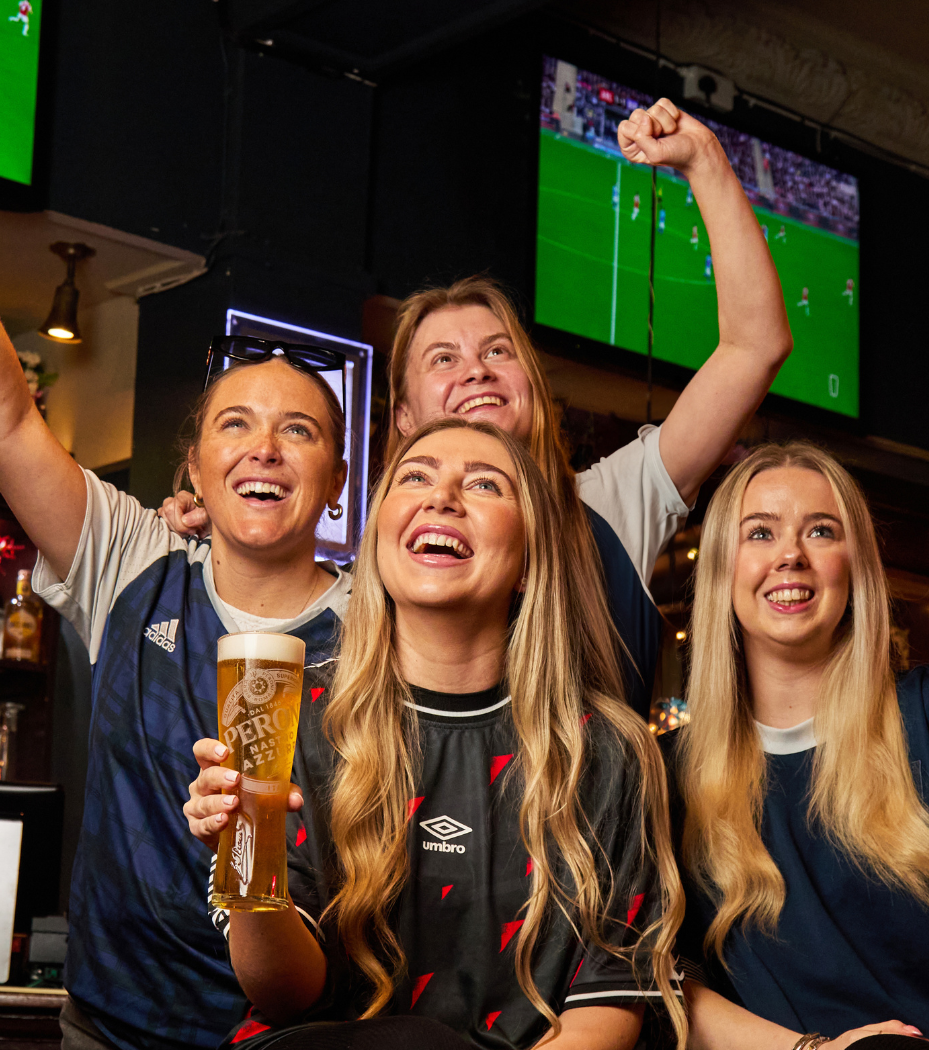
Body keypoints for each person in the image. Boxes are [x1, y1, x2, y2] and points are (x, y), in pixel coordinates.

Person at [165, 98, 792, 718]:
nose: (476, 370)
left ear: (533, 388)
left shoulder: (613, 501)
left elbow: (755, 347)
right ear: (405, 417)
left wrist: (704, 158)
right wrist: (217, 529)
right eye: (443, 359)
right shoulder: (389, 559)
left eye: (497, 351)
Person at [184, 418, 687, 1050]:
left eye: (484, 485)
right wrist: (246, 857)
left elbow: (612, 1002)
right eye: (415, 477)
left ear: (530, 557)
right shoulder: (293, 716)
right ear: (378, 537)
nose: (442, 497)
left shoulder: (607, 751)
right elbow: (284, 994)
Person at [0, 325, 352, 1050]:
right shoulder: (134, 561)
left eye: (299, 430)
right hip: (112, 1041)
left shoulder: (381, 632)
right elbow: (10, 418)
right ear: (194, 466)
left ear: (337, 482)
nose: (265, 448)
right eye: (236, 424)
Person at [669, 441, 929, 1050]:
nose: (790, 555)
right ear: (721, 569)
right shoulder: (669, 774)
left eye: (821, 531)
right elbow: (666, 992)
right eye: (760, 532)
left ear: (856, 570)